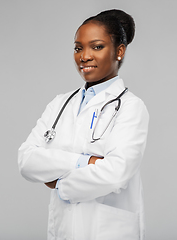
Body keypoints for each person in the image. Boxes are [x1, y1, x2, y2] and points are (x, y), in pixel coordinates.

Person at [18, 9, 149, 240]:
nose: (84, 56)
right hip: (63, 229)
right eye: (78, 48)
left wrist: (59, 184)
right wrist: (85, 161)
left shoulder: (131, 106)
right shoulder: (60, 103)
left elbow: (116, 173)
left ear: (119, 51)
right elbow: (27, 160)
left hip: (108, 231)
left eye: (97, 47)